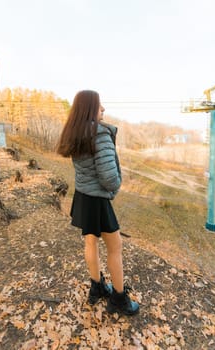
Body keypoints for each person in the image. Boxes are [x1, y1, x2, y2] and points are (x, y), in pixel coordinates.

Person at [57, 90, 139, 316]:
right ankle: (119, 300)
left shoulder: (75, 133)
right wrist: (117, 186)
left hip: (83, 196)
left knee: (90, 243)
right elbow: (109, 177)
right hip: (98, 200)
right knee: (116, 247)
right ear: (90, 108)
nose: (103, 109)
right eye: (99, 105)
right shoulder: (99, 134)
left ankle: (97, 287)